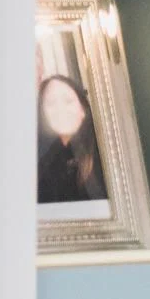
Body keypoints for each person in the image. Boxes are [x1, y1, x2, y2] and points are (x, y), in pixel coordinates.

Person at [38, 66, 105, 208]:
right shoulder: (46, 164)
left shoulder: (104, 151)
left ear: (83, 110)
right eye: (50, 103)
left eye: (68, 101)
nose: (60, 109)